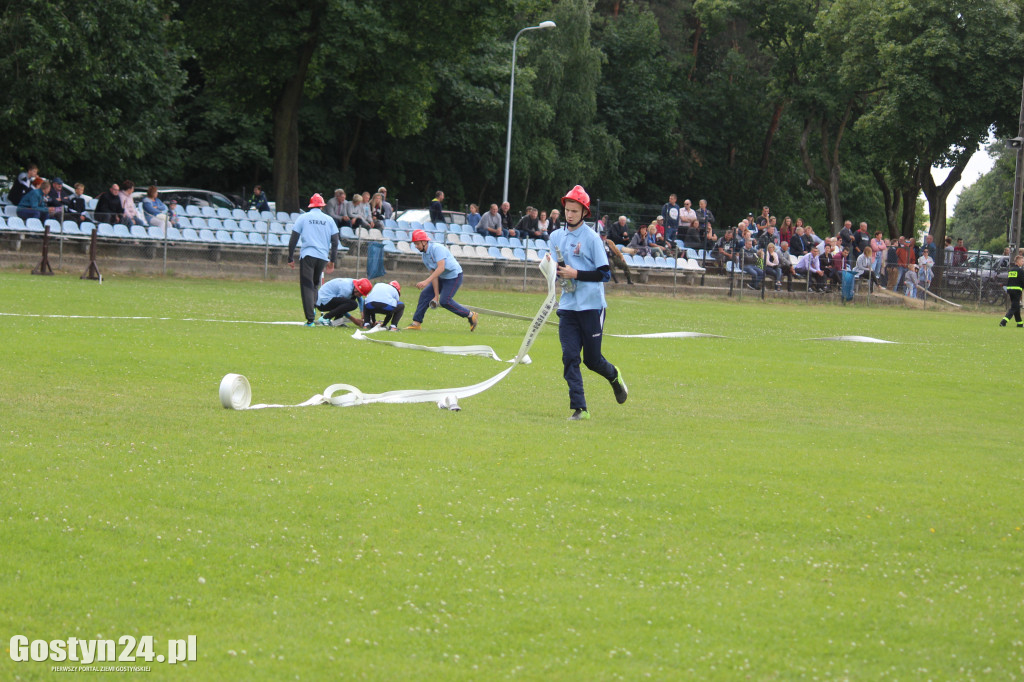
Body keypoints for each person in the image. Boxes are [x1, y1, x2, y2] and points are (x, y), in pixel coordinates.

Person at [549, 185, 627, 421]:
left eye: (575, 211)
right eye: (567, 210)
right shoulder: (555, 237)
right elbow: (555, 269)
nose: (570, 215)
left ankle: (614, 376)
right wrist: (550, 271)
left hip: (592, 307)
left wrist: (577, 274)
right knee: (570, 357)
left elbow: (604, 274)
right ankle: (580, 408)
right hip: (568, 308)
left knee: (592, 361)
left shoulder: (592, 238)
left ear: (584, 212)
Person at [406, 229, 478, 331]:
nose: (416, 246)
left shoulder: (437, 249)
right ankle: (416, 324)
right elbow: (435, 276)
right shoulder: (424, 256)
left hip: (454, 276)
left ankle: (470, 315)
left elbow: (441, 268)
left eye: (417, 244)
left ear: (424, 242)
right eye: (415, 244)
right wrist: (435, 296)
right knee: (425, 295)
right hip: (441, 277)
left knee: (445, 301)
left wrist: (426, 281)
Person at [287, 193, 340, 326]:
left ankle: (310, 319)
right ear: (322, 206)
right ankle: (314, 308)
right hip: (322, 257)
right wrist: (332, 261)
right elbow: (335, 241)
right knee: (315, 284)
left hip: (308, 255)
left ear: (311, 205)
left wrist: (290, 257)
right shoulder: (329, 220)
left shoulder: (304, 217)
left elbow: (294, 238)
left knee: (307, 286)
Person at [1000, 252, 1024, 327]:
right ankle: (1004, 321)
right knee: (1014, 307)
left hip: (1010, 290)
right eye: (1022, 261)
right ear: (1018, 262)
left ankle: (1019, 323)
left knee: (1016, 306)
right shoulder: (1020, 271)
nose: (1023, 262)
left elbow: (1010, 280)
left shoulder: (1011, 270)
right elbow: (1022, 281)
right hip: (1017, 290)